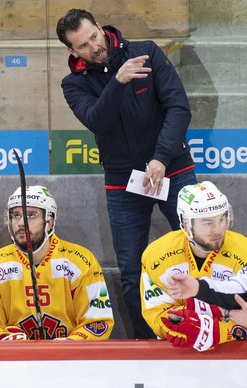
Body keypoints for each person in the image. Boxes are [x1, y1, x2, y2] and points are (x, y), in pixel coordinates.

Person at [56, 9, 197, 338]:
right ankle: (145, 344)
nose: (94, 46)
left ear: (100, 27)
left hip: (173, 169)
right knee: (132, 271)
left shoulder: (146, 52)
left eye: (94, 36)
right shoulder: (73, 84)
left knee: (199, 250)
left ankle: (208, 326)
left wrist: (161, 158)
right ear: (73, 52)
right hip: (124, 183)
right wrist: (117, 82)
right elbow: (98, 121)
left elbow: (178, 107)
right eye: (83, 45)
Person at [0, 185, 114, 340]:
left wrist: (68, 346)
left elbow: (98, 323)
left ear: (49, 221)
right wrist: (9, 343)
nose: (21, 223)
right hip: (14, 361)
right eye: (16, 215)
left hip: (69, 361)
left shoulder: (82, 262)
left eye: (31, 215)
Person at [140, 181, 247, 351]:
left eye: (222, 219)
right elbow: (156, 311)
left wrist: (218, 331)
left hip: (233, 349)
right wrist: (178, 327)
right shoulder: (157, 255)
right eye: (207, 223)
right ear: (185, 224)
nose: (218, 229)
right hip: (179, 349)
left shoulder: (244, 251)